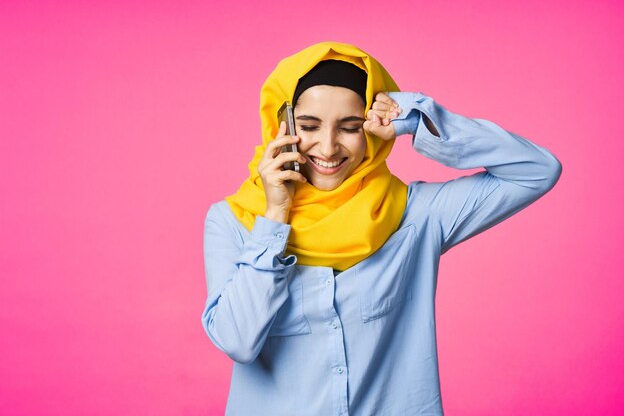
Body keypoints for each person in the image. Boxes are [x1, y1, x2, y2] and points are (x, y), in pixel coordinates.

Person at [201, 41, 561, 416]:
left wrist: (421, 119)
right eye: (308, 126)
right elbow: (237, 341)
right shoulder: (234, 222)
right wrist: (275, 216)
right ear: (282, 128)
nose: (327, 147)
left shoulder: (415, 215)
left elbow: (537, 170)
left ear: (371, 130)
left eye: (350, 127)